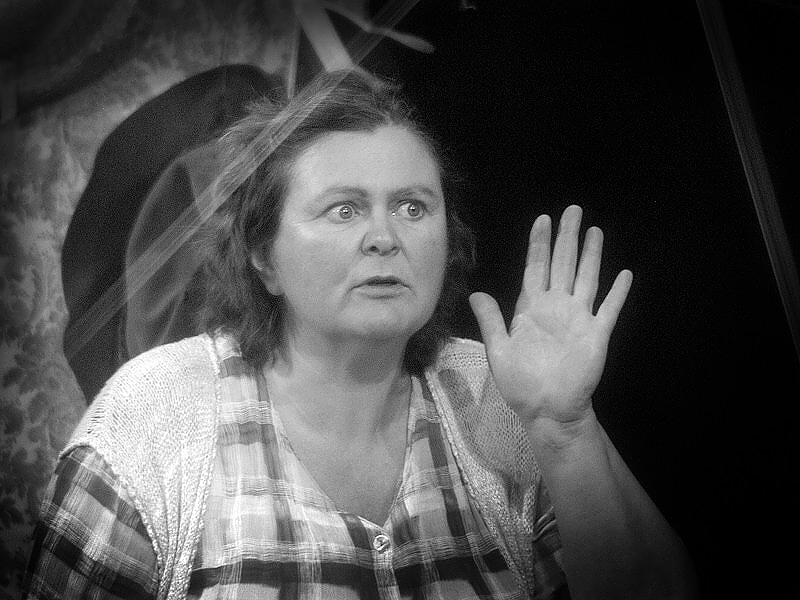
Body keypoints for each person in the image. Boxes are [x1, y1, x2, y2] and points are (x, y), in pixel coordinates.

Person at [23, 69, 697, 599]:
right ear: (263, 257)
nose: (384, 237)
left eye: (413, 207)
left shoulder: (495, 392)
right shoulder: (152, 418)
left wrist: (563, 430)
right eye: (344, 209)